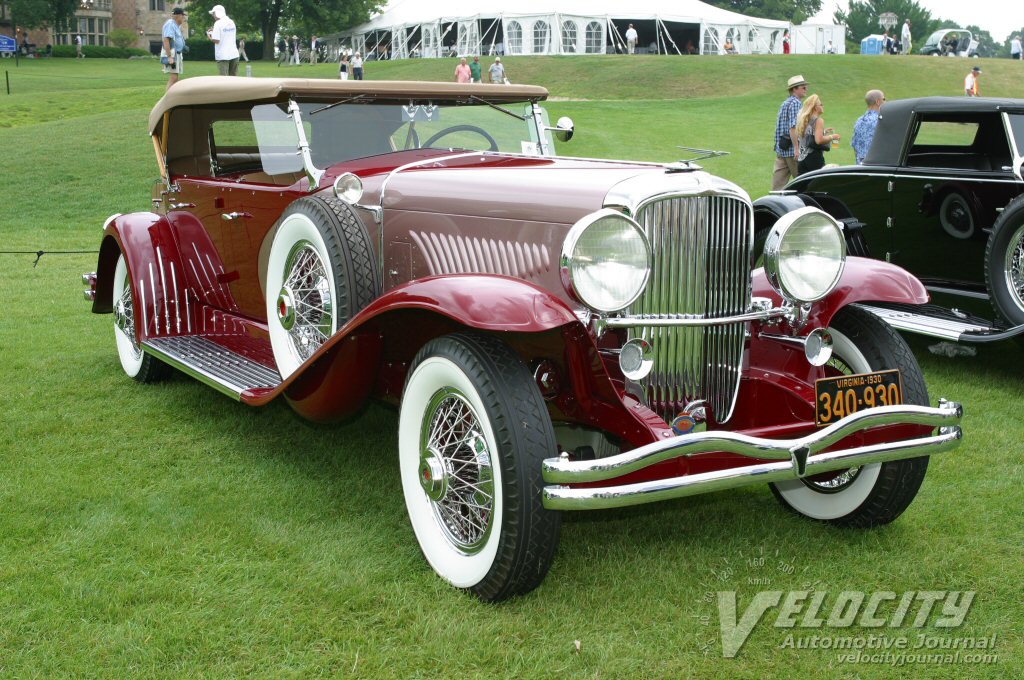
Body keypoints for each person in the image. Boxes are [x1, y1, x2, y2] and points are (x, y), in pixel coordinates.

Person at [772, 75, 808, 190]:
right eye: (803, 87)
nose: (805, 89)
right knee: (802, 183)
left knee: (777, 187)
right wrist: (797, 149)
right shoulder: (796, 103)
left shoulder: (785, 103)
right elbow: (793, 128)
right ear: (794, 89)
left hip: (781, 149)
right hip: (792, 151)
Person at [796, 94, 840, 175]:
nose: (823, 106)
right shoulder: (818, 120)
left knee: (803, 185)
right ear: (815, 107)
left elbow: (808, 136)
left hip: (802, 158)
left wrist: (824, 132)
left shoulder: (804, 120)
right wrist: (832, 136)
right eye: (821, 104)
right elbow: (818, 140)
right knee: (817, 184)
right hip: (814, 158)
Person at [851, 90, 884, 164]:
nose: (886, 102)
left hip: (861, 167)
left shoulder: (859, 121)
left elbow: (855, 146)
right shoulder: (881, 120)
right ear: (878, 101)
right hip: (877, 166)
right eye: (884, 99)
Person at [207, 5, 239, 76]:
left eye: (214, 14)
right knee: (234, 80)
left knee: (223, 80)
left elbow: (216, 40)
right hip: (234, 54)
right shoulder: (231, 22)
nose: (213, 16)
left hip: (223, 55)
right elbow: (227, 35)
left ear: (218, 13)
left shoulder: (217, 23)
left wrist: (209, 36)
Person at [161, 7, 187, 90]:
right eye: (183, 16)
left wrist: (183, 46)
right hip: (173, 55)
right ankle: (167, 100)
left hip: (177, 54)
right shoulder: (170, 24)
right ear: (178, 16)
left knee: (175, 79)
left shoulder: (176, 25)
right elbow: (166, 40)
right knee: (174, 78)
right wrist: (169, 57)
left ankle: (175, 98)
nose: (184, 18)